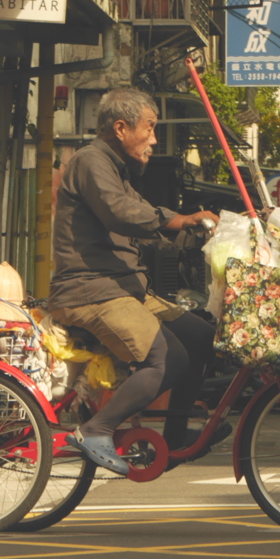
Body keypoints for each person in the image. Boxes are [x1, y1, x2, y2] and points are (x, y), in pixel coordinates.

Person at [49, 85, 228, 477]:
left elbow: (145, 217)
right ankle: (96, 429)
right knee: (166, 356)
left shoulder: (115, 170)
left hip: (125, 288)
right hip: (92, 291)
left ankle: (177, 437)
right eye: (148, 129)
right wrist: (177, 220)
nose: (153, 140)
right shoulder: (91, 161)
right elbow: (121, 214)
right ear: (120, 127)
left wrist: (199, 232)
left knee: (200, 338)